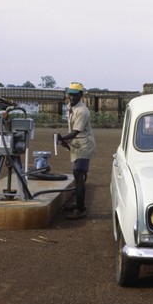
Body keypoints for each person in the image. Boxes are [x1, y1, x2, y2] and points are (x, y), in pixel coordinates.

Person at [57, 82, 95, 220]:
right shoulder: (71, 107)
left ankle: (80, 209)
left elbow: (75, 132)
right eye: (70, 94)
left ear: (81, 95)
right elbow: (73, 133)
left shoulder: (82, 111)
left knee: (79, 176)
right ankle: (78, 204)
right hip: (77, 144)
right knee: (77, 174)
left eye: (75, 95)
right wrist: (64, 140)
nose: (71, 97)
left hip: (84, 146)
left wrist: (62, 138)